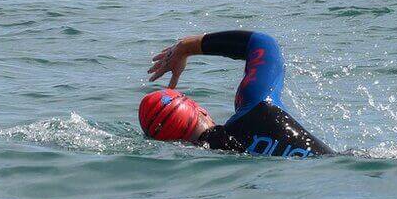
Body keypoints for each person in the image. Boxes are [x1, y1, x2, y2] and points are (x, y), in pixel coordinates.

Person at [140, 30, 332, 158]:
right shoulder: (256, 108)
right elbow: (264, 44)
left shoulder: (209, 170)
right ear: (200, 111)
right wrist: (186, 47)